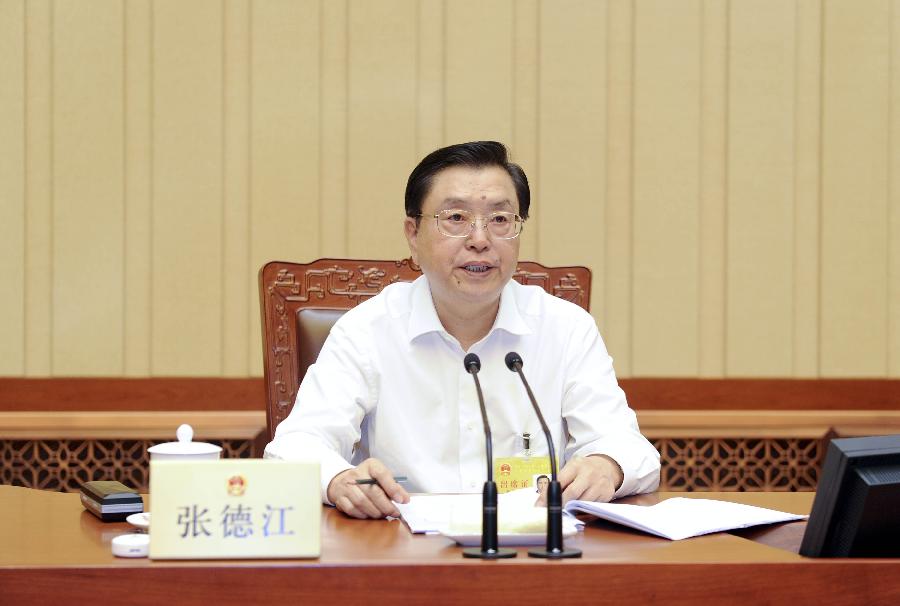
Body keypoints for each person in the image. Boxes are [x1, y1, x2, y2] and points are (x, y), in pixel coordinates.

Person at [265, 141, 660, 519]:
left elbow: (630, 448)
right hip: (403, 554)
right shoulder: (367, 330)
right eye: (455, 218)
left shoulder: (566, 328)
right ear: (413, 234)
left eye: (501, 219)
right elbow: (294, 447)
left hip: (533, 556)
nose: (480, 239)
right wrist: (338, 480)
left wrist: (607, 466)